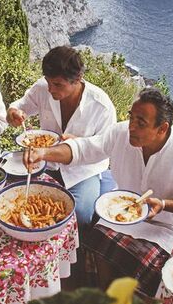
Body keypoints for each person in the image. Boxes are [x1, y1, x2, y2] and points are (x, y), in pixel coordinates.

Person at [24, 87, 173, 295]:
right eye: (132, 118)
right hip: (121, 213)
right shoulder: (120, 133)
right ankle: (108, 296)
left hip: (167, 227)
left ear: (162, 128)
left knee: (152, 266)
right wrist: (43, 153)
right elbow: (84, 149)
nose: (131, 127)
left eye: (141, 123)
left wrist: (164, 204)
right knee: (95, 239)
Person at [7, 45, 116, 232]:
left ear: (78, 79)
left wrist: (77, 143)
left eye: (57, 84)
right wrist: (13, 113)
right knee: (15, 199)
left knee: (81, 214)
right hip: (45, 163)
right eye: (48, 82)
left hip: (82, 170)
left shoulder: (101, 106)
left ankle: (73, 254)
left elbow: (104, 148)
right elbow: (21, 106)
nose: (50, 89)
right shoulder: (43, 88)